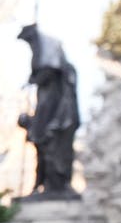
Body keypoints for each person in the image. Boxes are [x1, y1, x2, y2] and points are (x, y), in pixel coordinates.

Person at [16, 23, 81, 200]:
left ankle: (56, 185)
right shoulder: (46, 97)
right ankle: (42, 184)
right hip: (47, 120)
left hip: (57, 123)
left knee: (53, 153)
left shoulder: (59, 96)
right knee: (44, 152)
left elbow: (47, 72)